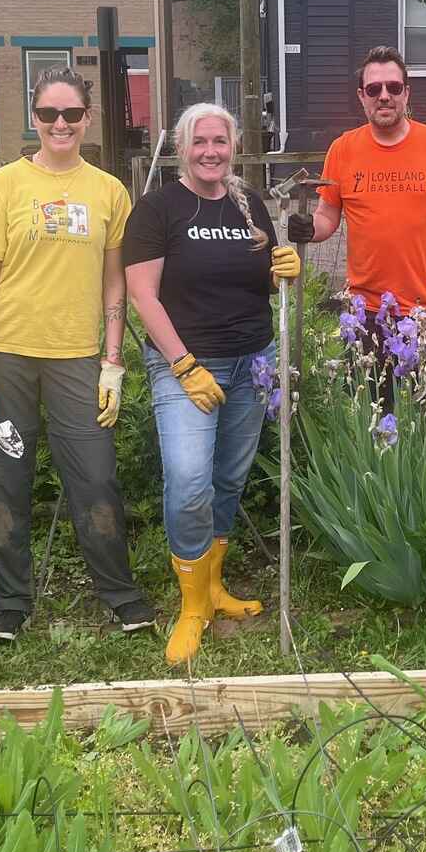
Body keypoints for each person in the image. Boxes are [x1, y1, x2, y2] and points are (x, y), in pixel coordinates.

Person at [0, 66, 154, 640]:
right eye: (48, 114)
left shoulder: (108, 190)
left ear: (87, 118)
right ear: (34, 118)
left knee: (94, 477)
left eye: (71, 113)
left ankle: (119, 592)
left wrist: (113, 358)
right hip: (7, 357)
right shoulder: (3, 187)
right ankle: (11, 604)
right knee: (5, 476)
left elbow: (114, 282)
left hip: (77, 358)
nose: (60, 123)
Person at [124, 103, 300, 664]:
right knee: (189, 477)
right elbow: (142, 295)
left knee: (228, 476)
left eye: (219, 142)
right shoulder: (158, 208)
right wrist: (182, 364)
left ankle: (215, 587)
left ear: (233, 144)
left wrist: (284, 270)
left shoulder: (250, 205)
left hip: (252, 361)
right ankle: (192, 604)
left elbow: (264, 285)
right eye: (199, 142)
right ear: (181, 145)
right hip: (185, 365)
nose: (210, 152)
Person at [288, 45, 426, 396]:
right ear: (362, 96)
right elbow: (327, 215)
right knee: (376, 427)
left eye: (393, 88)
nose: (384, 96)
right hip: (367, 314)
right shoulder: (343, 149)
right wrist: (309, 229)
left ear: (406, 93)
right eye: (374, 89)